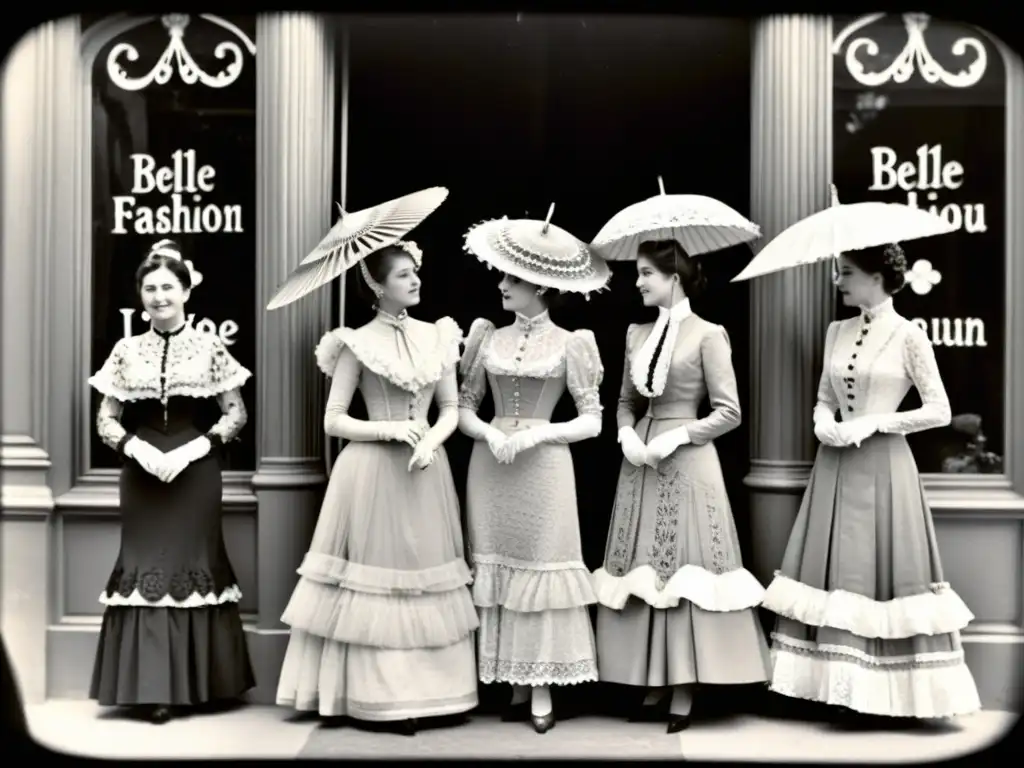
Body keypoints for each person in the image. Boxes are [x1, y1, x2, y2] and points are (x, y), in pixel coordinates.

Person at [761, 244, 981, 722]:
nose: (838, 281)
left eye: (847, 273)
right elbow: (823, 396)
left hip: (884, 467)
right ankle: (838, 690)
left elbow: (939, 410)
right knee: (837, 572)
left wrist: (876, 423)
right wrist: (822, 420)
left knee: (878, 574)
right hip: (835, 463)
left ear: (878, 276)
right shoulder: (835, 330)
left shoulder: (909, 335)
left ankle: (882, 696)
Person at [275, 241, 478, 735]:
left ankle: (433, 693)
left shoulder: (439, 336)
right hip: (369, 475)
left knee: (424, 574)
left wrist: (430, 439)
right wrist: (386, 429)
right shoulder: (355, 343)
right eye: (402, 276)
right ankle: (380, 696)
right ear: (378, 286)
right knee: (375, 580)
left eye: (415, 273)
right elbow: (334, 421)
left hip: (424, 473)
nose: (414, 281)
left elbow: (450, 409)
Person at [592, 239, 770, 733]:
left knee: (682, 569)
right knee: (644, 568)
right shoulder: (635, 334)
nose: (639, 282)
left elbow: (729, 411)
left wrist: (681, 435)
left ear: (674, 277)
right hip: (640, 462)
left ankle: (684, 685)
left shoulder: (709, 335)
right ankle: (651, 680)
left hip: (687, 459)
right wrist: (626, 431)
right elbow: (625, 400)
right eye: (638, 273)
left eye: (647, 273)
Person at [88, 240, 255, 724]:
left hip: (195, 473)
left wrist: (196, 447)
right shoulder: (125, 350)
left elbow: (235, 413)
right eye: (149, 287)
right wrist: (134, 448)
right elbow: (106, 419)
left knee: (193, 563)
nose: (159, 295)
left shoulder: (209, 346)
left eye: (167, 286)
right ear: (140, 295)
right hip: (141, 477)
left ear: (186, 290)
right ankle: (151, 688)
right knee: (143, 568)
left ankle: (203, 686)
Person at [458, 273, 604, 734]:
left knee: (542, 567)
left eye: (512, 280)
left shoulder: (572, 343)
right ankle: (512, 683)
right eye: (500, 276)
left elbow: (592, 421)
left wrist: (539, 433)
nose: (501, 285)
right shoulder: (486, 336)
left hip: (544, 468)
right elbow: (462, 406)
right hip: (491, 467)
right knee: (495, 566)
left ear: (539, 287)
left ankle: (540, 684)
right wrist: (489, 431)